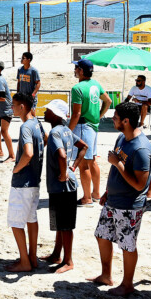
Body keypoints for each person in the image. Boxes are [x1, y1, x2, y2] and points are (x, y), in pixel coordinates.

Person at [89, 102, 151, 296]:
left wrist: (117, 164)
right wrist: (108, 191)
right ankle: (106, 275)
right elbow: (114, 168)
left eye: (115, 117)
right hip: (113, 200)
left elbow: (140, 185)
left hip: (129, 206)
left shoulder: (141, 149)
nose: (112, 119)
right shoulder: (122, 137)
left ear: (126, 121)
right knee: (102, 235)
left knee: (127, 245)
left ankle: (127, 284)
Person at [42, 99, 87, 273]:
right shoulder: (66, 130)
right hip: (65, 186)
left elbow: (61, 156)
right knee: (60, 223)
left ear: (56, 114)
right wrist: (74, 166)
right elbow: (83, 146)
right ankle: (56, 254)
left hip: (63, 186)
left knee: (65, 225)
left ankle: (68, 261)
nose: (45, 112)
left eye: (48, 110)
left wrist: (63, 173)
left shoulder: (55, 133)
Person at [7, 92, 44, 272]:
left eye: (14, 105)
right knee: (31, 219)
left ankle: (24, 261)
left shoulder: (25, 127)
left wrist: (17, 168)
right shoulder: (37, 123)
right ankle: (32, 257)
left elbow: (28, 153)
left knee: (15, 222)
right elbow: (44, 141)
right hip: (35, 180)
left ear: (22, 107)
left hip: (23, 182)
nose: (12, 108)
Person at [68, 59, 112, 206]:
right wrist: (99, 116)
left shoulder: (77, 88)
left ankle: (87, 197)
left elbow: (76, 114)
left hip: (82, 127)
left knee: (83, 164)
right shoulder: (96, 84)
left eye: (76, 68)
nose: (75, 70)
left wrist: (67, 131)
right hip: (93, 126)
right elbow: (108, 101)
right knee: (92, 161)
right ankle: (96, 193)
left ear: (81, 71)